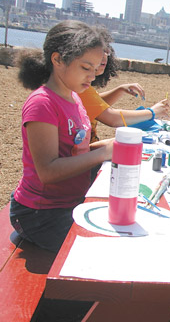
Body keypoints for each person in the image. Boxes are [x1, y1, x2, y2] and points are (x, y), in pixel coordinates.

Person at [9, 20, 115, 253]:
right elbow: (47, 171)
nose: (93, 77)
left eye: (96, 68)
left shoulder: (74, 97)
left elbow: (73, 150)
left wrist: (111, 145)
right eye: (85, 68)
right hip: (39, 213)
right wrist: (104, 153)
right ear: (57, 60)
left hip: (68, 203)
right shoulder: (42, 103)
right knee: (101, 251)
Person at [79, 32, 169, 143]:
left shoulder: (84, 90)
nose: (105, 56)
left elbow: (95, 103)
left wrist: (120, 90)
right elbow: (112, 118)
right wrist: (152, 112)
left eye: (106, 51)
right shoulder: (80, 90)